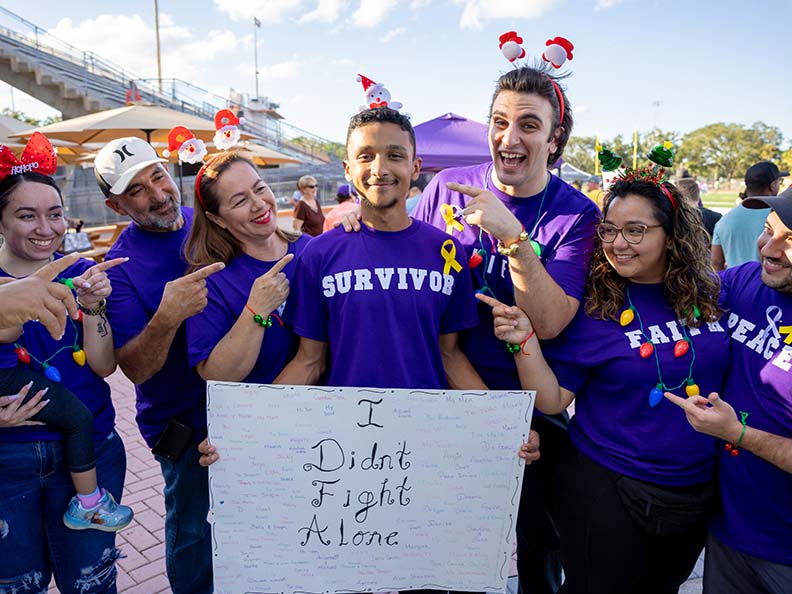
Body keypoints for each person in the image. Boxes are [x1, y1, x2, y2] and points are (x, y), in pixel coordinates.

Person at [480, 174, 729, 594]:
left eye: (636, 230)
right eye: (610, 230)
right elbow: (554, 397)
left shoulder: (715, 294)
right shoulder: (595, 307)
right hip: (607, 488)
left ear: (672, 236)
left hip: (696, 492)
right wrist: (523, 341)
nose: (617, 243)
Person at [410, 65, 601, 594]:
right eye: (499, 122)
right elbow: (410, 275)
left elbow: (550, 320)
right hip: (448, 399)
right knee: (441, 544)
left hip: (533, 412)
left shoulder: (577, 214)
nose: (509, 138)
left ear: (555, 137)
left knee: (537, 547)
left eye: (529, 125)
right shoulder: (447, 187)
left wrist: (514, 239)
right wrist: (361, 220)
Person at [94, 137, 224, 594]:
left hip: (249, 408)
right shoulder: (118, 269)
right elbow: (135, 370)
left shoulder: (211, 218)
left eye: (158, 176)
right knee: (193, 533)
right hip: (185, 427)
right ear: (115, 205)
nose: (157, 193)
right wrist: (168, 315)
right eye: (137, 191)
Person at [0, 167, 130, 592]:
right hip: (7, 464)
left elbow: (103, 365)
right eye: (26, 215)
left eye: (54, 214)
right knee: (18, 586)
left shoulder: (80, 274)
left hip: (92, 448)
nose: (45, 228)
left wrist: (92, 308)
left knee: (92, 584)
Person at [665, 188, 792, 594]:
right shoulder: (744, 281)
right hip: (728, 533)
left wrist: (737, 434)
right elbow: (672, 294)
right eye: (769, 229)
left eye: (791, 239)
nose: (769, 248)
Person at [184, 151, 309, 385]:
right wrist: (255, 311)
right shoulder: (211, 281)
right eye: (240, 201)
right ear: (217, 219)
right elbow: (215, 376)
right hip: (259, 416)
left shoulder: (313, 250)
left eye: (260, 188)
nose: (259, 204)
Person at [711, 161, 788, 270]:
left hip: (735, 284)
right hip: (770, 283)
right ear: (772, 185)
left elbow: (716, 262)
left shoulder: (724, 220)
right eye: (779, 183)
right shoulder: (779, 218)